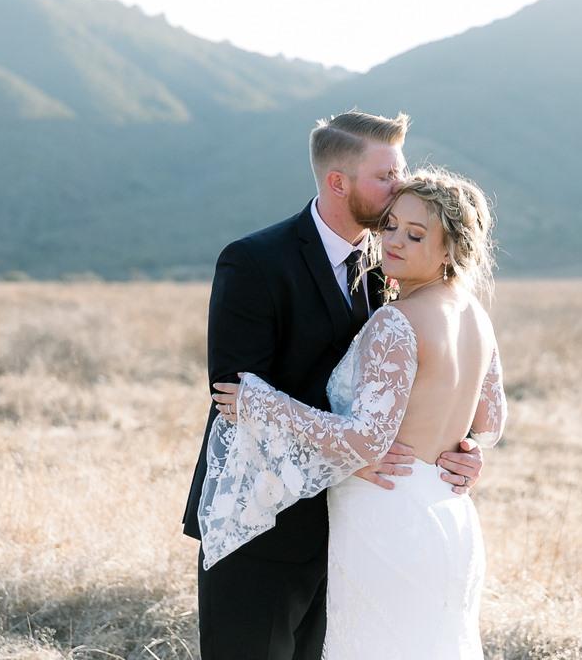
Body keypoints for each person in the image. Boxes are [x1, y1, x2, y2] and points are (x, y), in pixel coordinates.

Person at [181, 111, 486, 660]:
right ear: (339, 182)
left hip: (359, 528)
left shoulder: (393, 265)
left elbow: (420, 386)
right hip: (264, 523)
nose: (401, 185)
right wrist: (352, 452)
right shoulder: (254, 261)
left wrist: (462, 447)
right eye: (386, 175)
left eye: (400, 171)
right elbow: (234, 397)